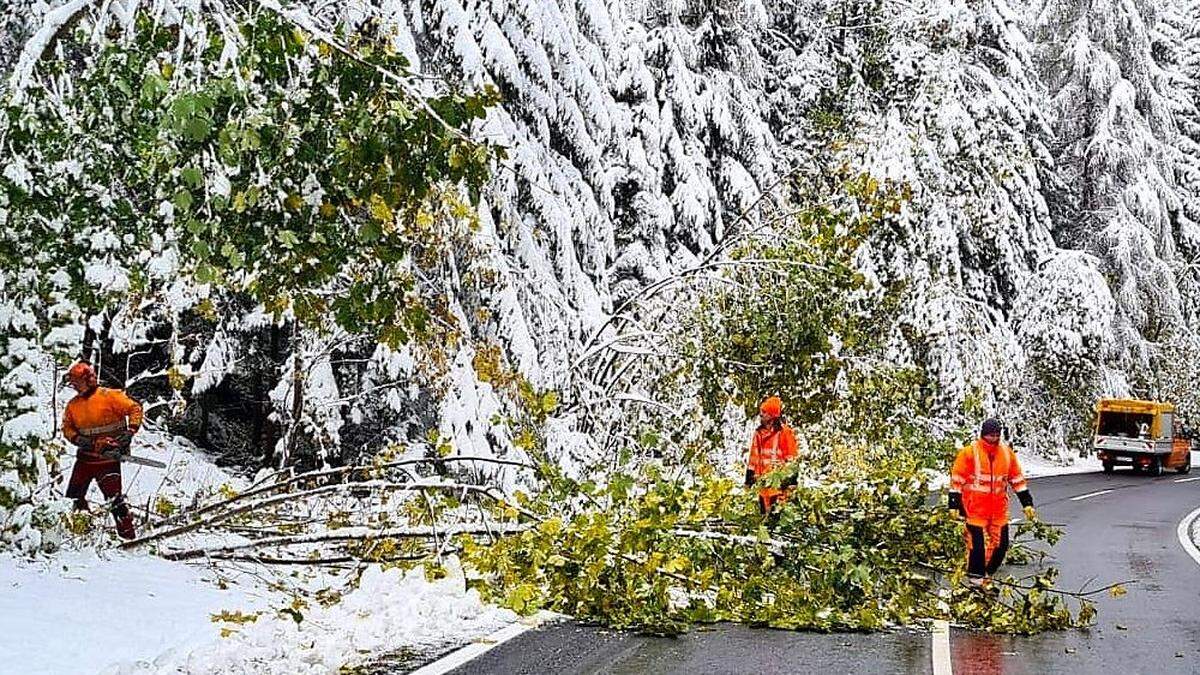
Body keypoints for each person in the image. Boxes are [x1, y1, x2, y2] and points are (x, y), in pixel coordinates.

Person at [60, 361, 143, 539]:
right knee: (74, 496)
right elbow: (67, 428)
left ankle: (128, 537)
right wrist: (79, 440)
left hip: (108, 460)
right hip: (85, 459)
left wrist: (130, 431)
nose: (73, 385)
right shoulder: (73, 405)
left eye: (75, 381)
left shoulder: (110, 396)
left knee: (115, 500)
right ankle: (81, 533)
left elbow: (135, 408)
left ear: (87, 380)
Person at [948, 418, 1035, 585]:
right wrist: (954, 503)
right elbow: (957, 479)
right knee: (977, 546)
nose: (993, 439)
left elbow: (1017, 479)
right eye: (990, 435)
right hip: (974, 509)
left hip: (998, 510)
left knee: (1001, 546)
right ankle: (975, 580)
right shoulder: (969, 453)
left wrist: (1027, 503)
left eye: (996, 435)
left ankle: (987, 573)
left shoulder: (1006, 454)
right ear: (983, 434)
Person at [745, 396, 798, 513]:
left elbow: (791, 458)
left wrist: (792, 482)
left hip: (779, 485)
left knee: (778, 517)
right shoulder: (758, 433)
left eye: (764, 412)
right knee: (764, 517)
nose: (761, 414)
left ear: (772, 416)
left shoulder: (785, 433)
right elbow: (753, 457)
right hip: (763, 485)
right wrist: (748, 479)